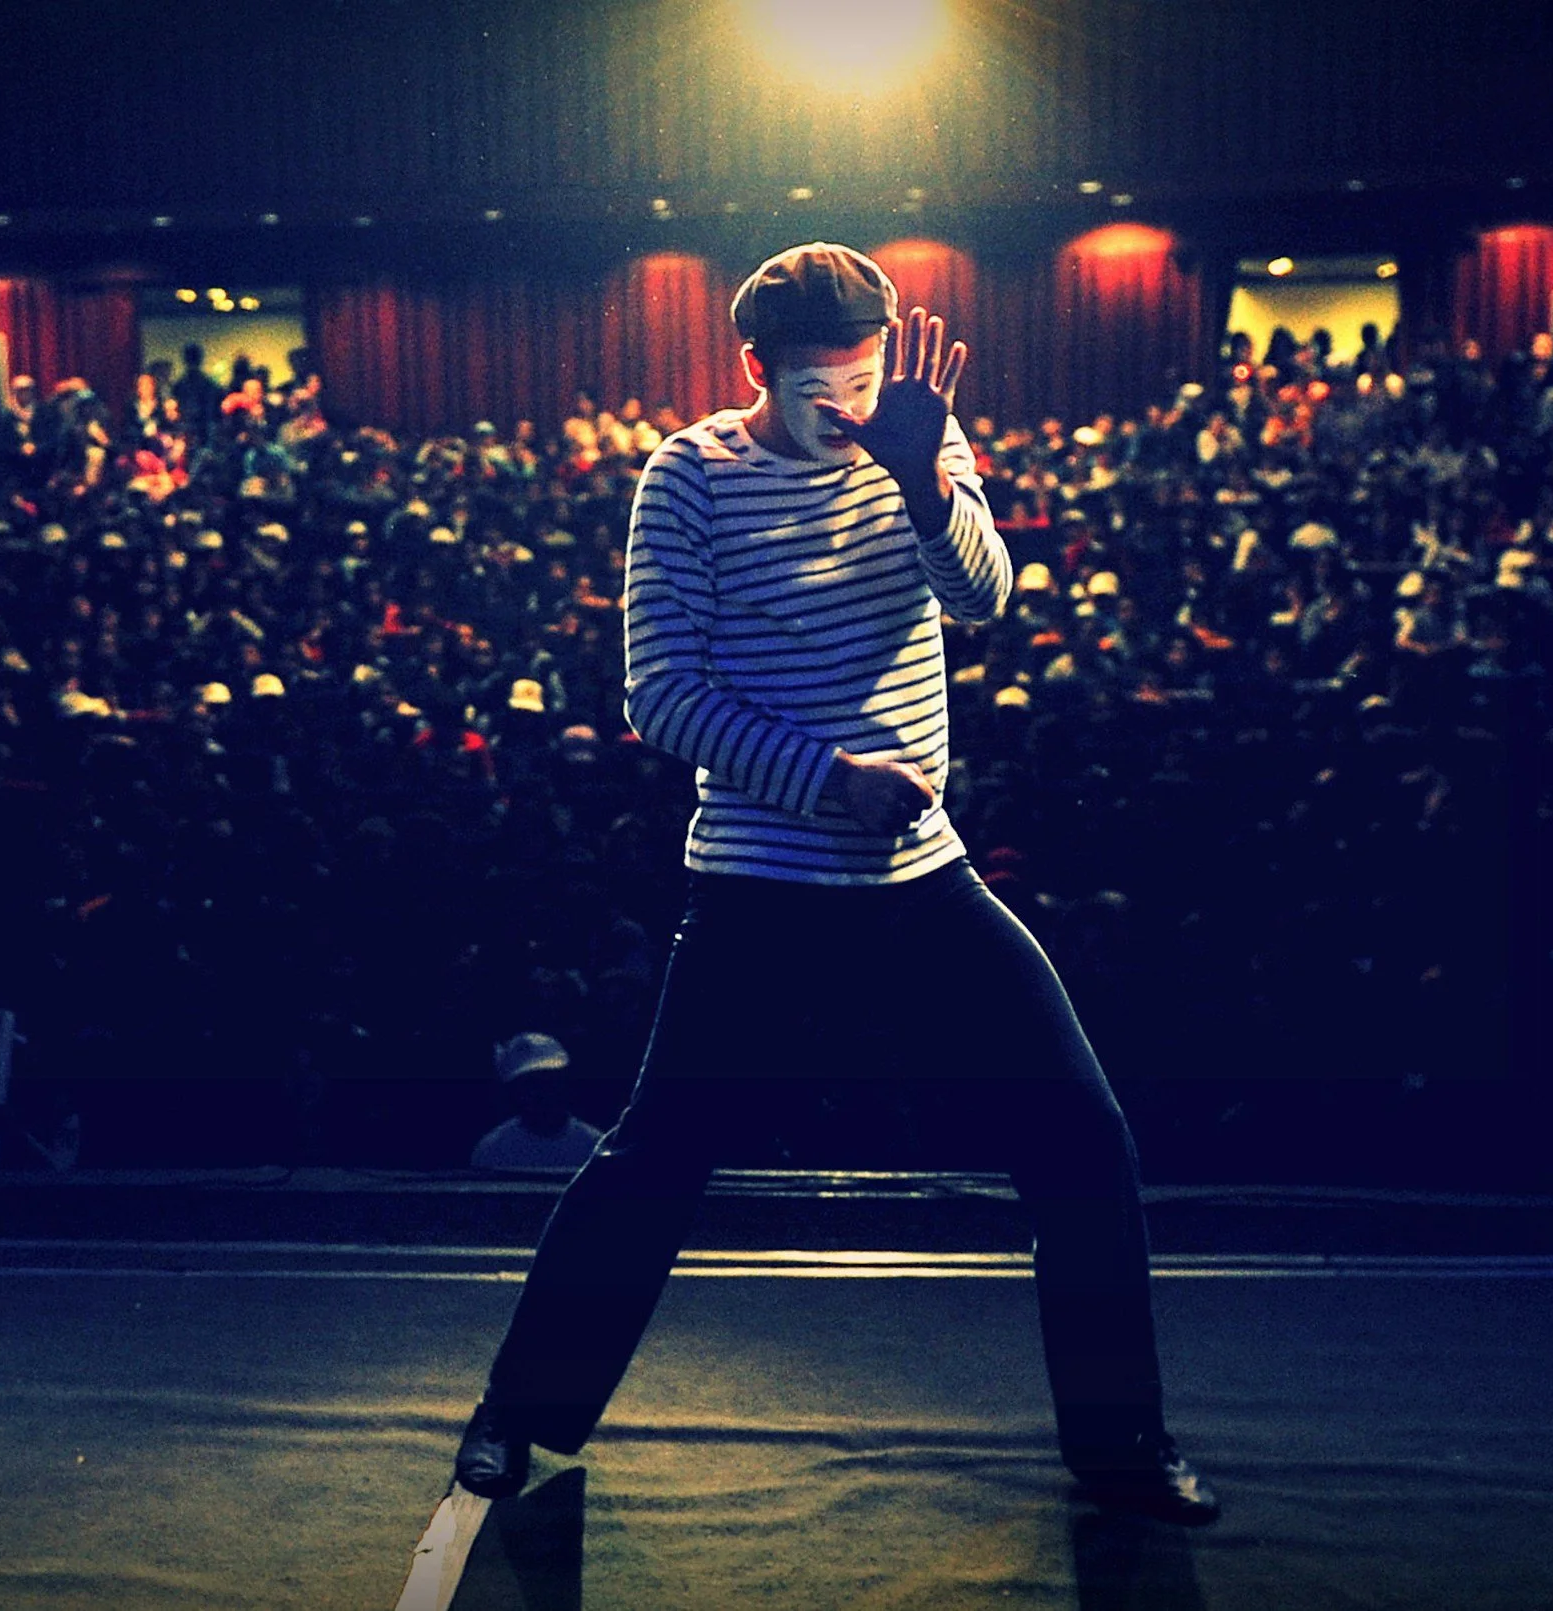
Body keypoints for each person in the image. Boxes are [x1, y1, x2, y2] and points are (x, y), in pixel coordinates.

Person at [449, 241, 1220, 1525]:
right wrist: (827, 780)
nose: (848, 406)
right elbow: (659, 698)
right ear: (754, 368)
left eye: (862, 378)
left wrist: (923, 477)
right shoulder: (689, 475)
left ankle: (1121, 1442)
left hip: (923, 877)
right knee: (655, 1161)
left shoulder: (916, 436)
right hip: (761, 882)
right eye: (821, 385)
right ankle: (516, 1416)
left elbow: (983, 597)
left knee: (1082, 1140)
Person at [470, 1032, 605, 1171]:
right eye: (531, 1083)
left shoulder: (595, 1147)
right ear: (514, 1091)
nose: (542, 1091)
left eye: (549, 1080)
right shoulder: (492, 1150)